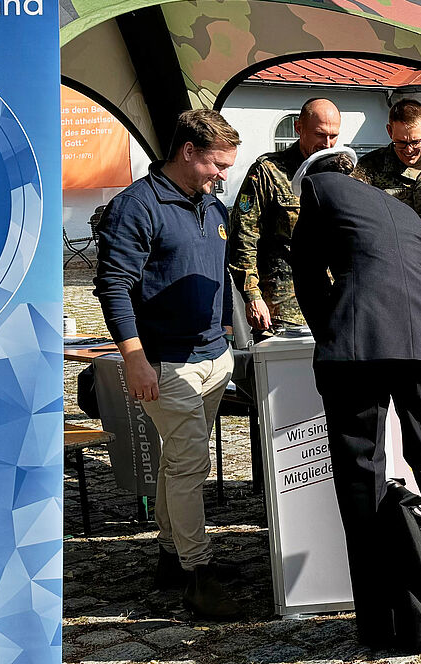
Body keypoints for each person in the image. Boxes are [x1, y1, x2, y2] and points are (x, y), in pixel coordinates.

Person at [290, 150, 421, 647]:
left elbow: (307, 275)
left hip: (359, 345)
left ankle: (380, 619)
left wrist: (328, 331)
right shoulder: (404, 208)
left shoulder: (316, 188)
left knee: (361, 476)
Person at [93, 109, 240, 618]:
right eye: (216, 164)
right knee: (190, 464)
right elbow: (112, 286)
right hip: (165, 363)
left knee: (178, 463)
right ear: (188, 152)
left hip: (211, 357)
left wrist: (223, 328)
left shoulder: (211, 206)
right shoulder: (136, 207)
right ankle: (198, 574)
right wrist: (134, 357)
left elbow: (221, 271)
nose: (223, 175)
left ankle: (169, 556)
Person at [229, 97, 341, 332]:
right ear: (299, 128)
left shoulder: (341, 172)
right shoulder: (268, 172)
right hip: (284, 306)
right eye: (320, 135)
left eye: (334, 136)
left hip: (335, 303)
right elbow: (244, 236)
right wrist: (252, 296)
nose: (328, 144)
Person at [352, 99, 421, 265]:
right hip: (393, 268)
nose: (409, 150)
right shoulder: (370, 166)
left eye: (416, 142)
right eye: (401, 143)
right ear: (390, 131)